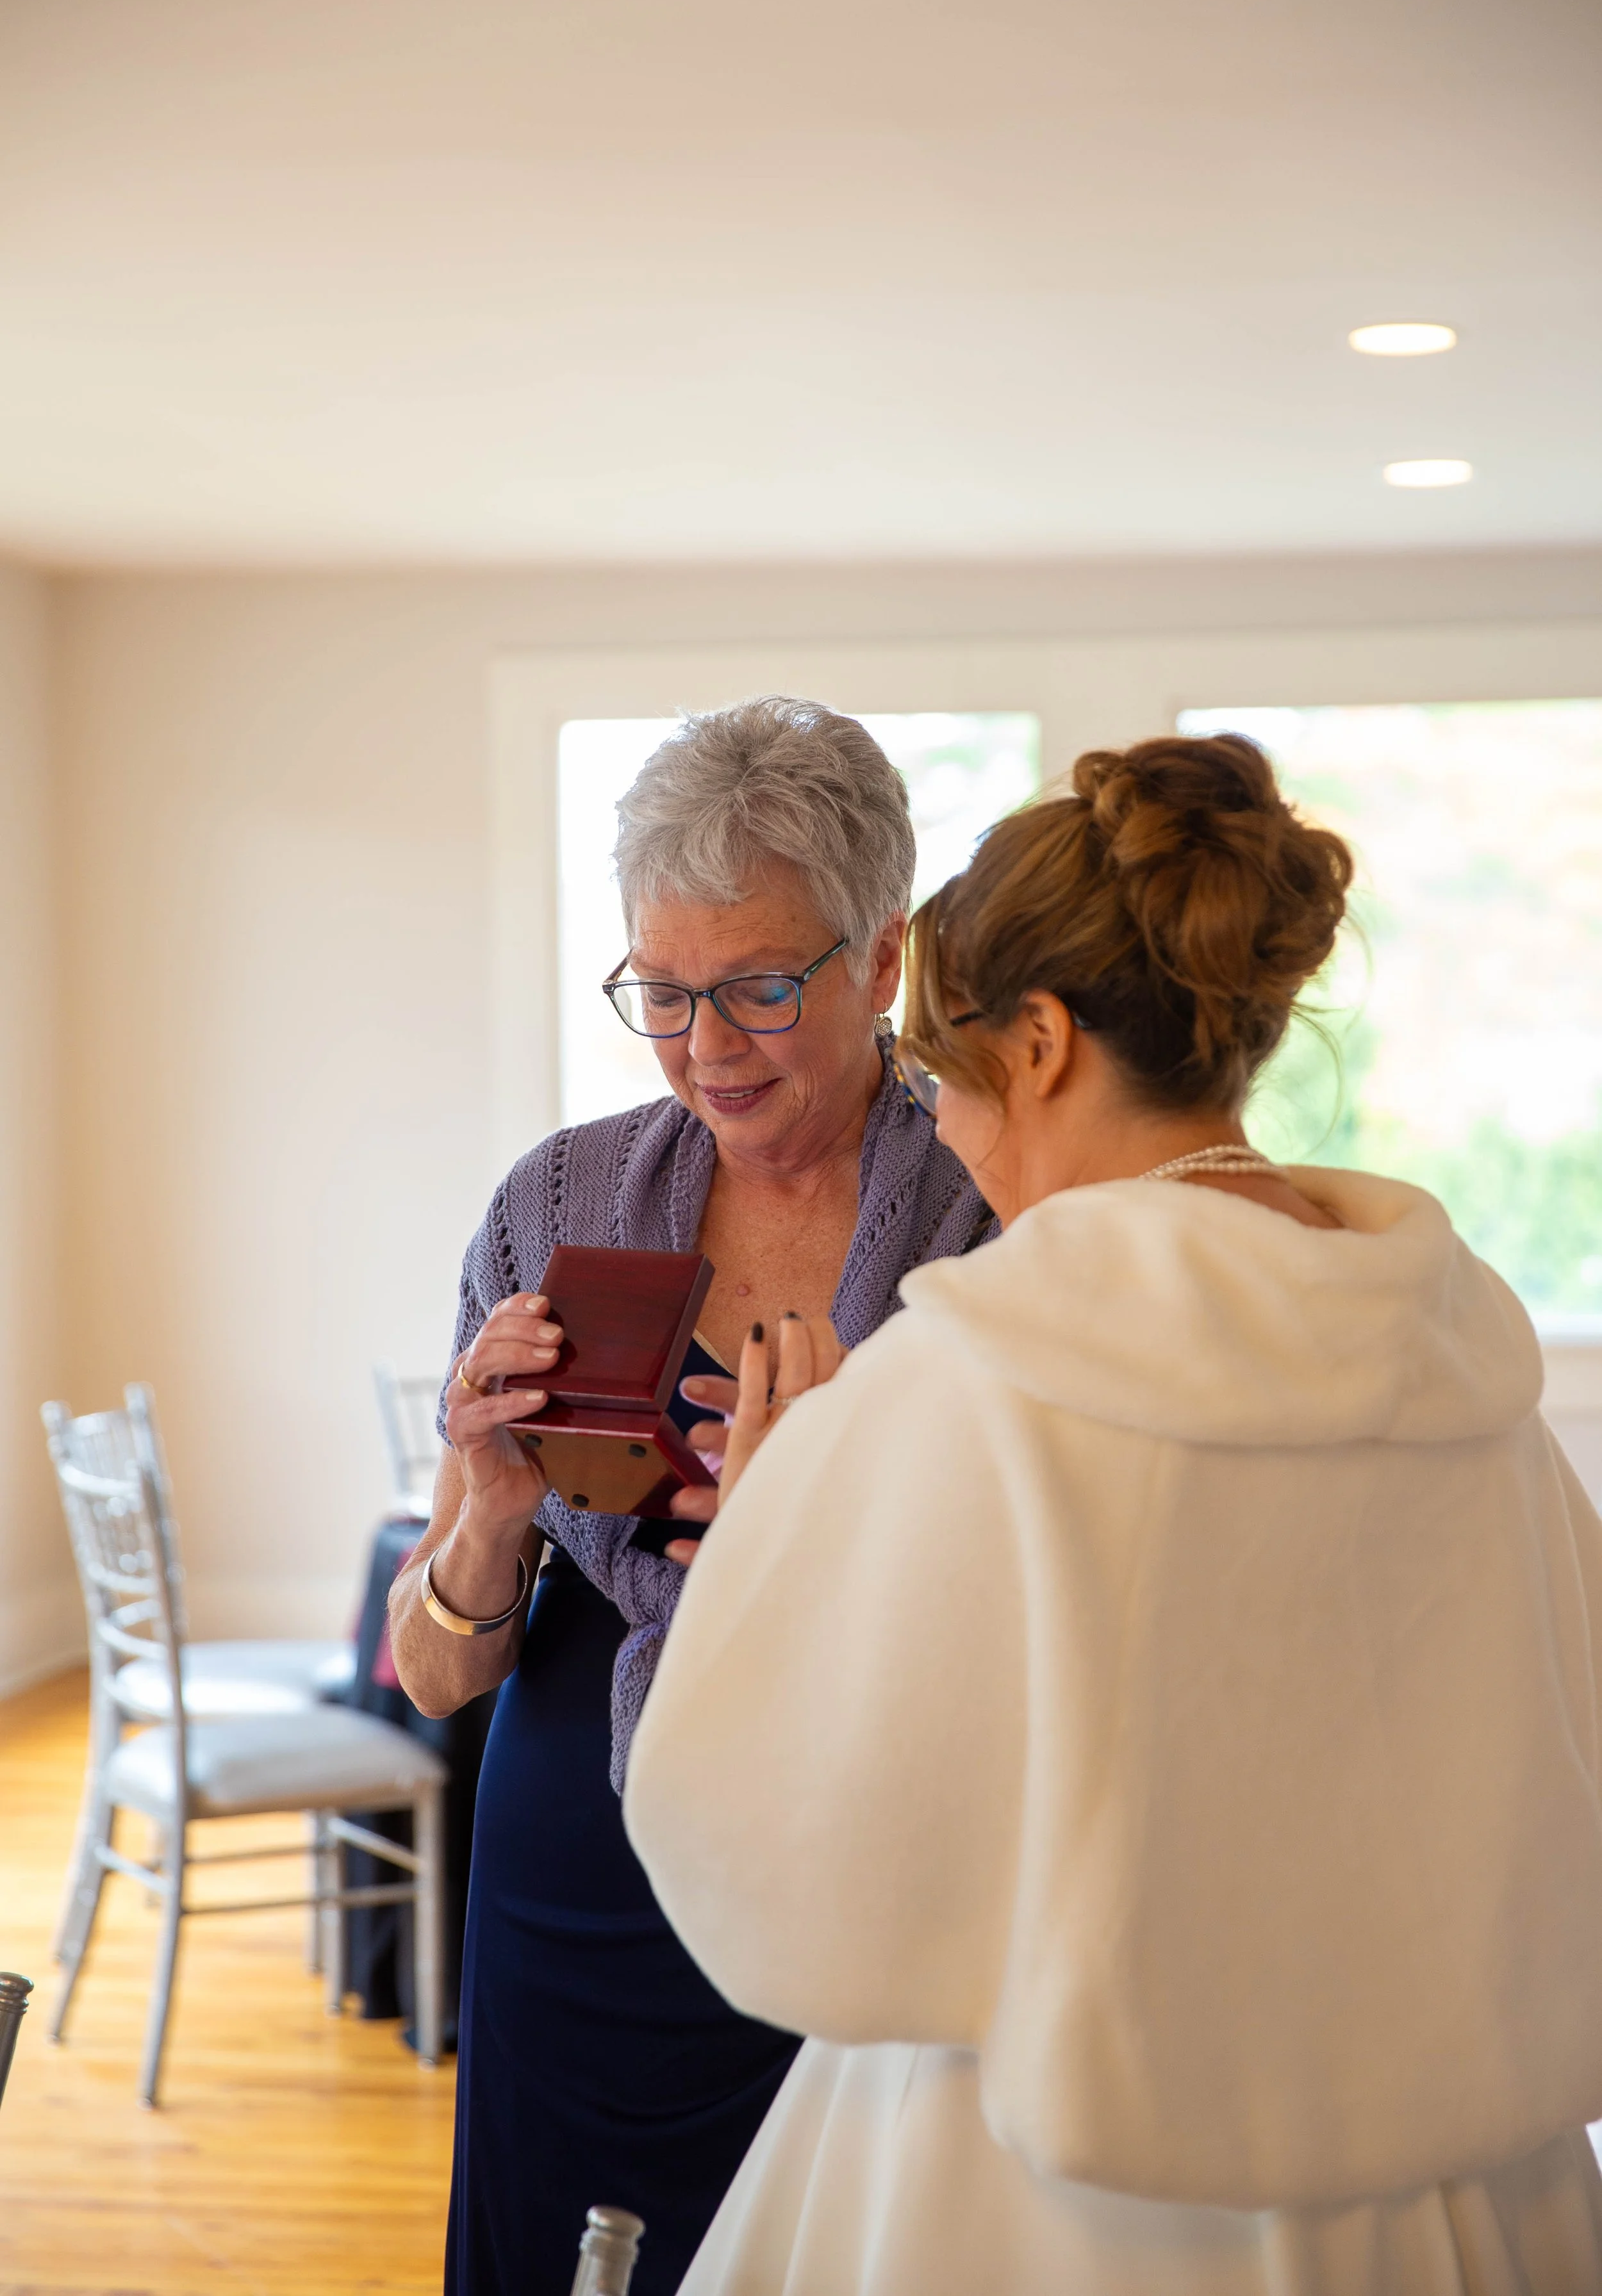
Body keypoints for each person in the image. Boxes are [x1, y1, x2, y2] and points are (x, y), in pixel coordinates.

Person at [625, 732, 1602, 2296]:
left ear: (1044, 1040)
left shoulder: (969, 1379)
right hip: (1435, 2176)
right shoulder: (1453, 1361)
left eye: (944, 1076)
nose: (938, 1126)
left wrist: (776, 1529)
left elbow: (788, 1877)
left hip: (1035, 2176)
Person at [387, 698, 993, 2296]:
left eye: (758, 989)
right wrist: (488, 1507)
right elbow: (435, 1669)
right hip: (573, 1866)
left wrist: (834, 1528)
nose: (704, 1049)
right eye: (661, 992)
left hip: (859, 1873)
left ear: (885, 960)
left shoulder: (992, 1220)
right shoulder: (557, 1200)